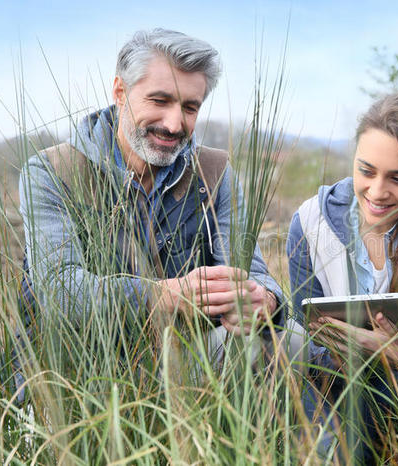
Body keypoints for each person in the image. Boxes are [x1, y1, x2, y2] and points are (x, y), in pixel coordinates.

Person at [18, 29, 283, 386]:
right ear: (120, 93)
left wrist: (265, 299)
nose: (174, 125)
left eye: (190, 107)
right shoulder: (51, 172)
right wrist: (165, 295)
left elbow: (251, 272)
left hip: (184, 361)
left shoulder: (216, 174)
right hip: (75, 374)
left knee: (288, 339)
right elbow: (60, 292)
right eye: (159, 100)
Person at [286, 92, 398, 461]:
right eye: (365, 171)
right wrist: (342, 354)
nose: (378, 192)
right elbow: (304, 336)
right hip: (336, 389)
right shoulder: (309, 223)